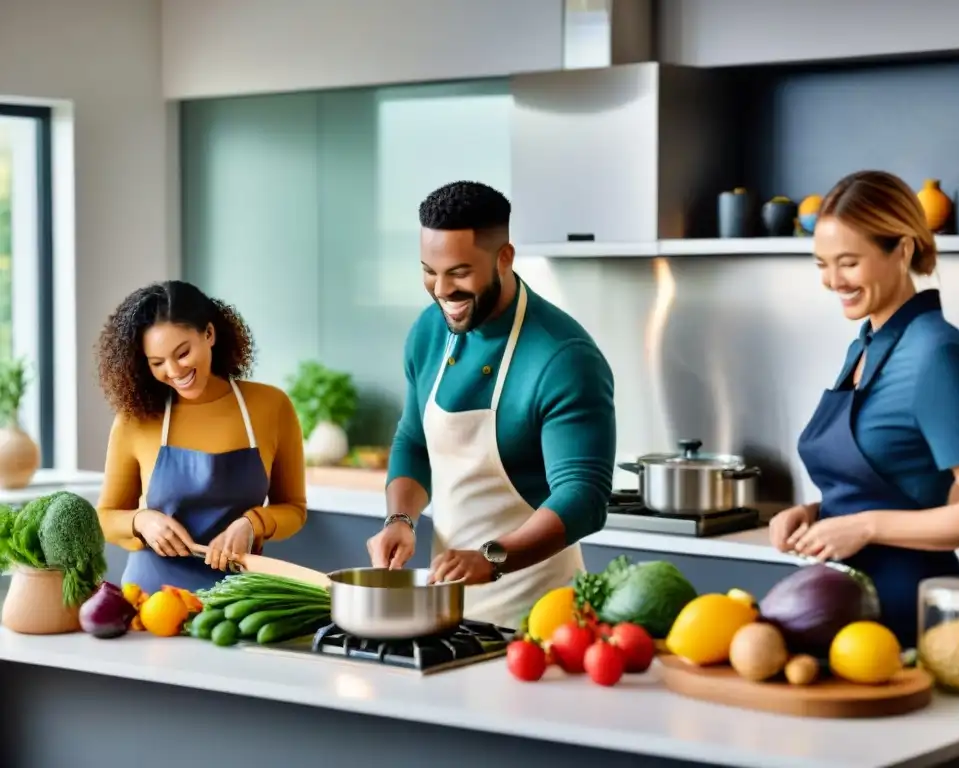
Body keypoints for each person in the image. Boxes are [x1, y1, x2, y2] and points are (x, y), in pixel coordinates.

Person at [769, 170, 959, 649]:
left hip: (913, 616)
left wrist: (864, 527)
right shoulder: (866, 345)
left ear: (902, 251)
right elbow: (904, 484)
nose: (832, 281)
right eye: (822, 263)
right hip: (846, 608)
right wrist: (814, 514)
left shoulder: (937, 354)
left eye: (848, 263)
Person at [366, 180, 616, 629]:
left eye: (459, 273)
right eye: (429, 270)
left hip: (541, 618)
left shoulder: (563, 356)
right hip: (450, 611)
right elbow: (414, 441)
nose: (441, 290)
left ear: (505, 257)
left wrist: (492, 558)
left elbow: (584, 497)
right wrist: (400, 519)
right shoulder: (429, 331)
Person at [95, 280, 308, 594]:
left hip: (236, 598)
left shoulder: (270, 407)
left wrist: (253, 524)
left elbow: (294, 508)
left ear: (209, 334)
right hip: (151, 602)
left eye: (182, 353)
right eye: (157, 363)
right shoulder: (135, 420)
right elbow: (106, 517)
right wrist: (142, 522)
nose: (174, 371)